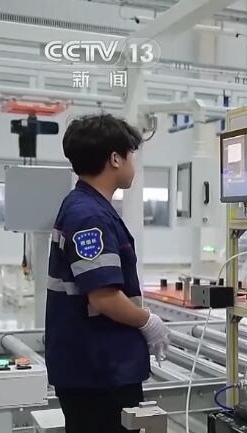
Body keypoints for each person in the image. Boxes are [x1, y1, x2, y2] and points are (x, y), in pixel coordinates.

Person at [46, 113, 170, 433]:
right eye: (131, 154)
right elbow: (103, 298)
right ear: (115, 158)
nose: (133, 164)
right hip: (99, 373)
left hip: (92, 369)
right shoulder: (90, 216)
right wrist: (148, 322)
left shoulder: (84, 206)